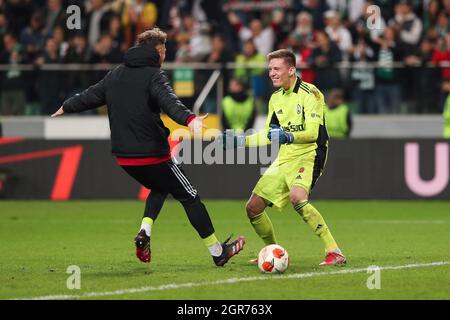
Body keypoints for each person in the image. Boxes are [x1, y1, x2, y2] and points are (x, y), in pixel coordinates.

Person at [51, 27, 245, 267]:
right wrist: (190, 119)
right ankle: (218, 252)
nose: (165, 56)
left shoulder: (115, 74)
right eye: (164, 51)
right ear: (159, 51)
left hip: (124, 157)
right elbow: (169, 101)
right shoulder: (154, 75)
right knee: (190, 197)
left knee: (159, 186)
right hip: (152, 154)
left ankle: (145, 232)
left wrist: (66, 106)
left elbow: (91, 95)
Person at [222, 49, 346, 266]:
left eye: (276, 68)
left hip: (310, 153)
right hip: (286, 157)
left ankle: (334, 251)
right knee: (253, 207)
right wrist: (241, 141)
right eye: (270, 69)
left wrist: (288, 135)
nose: (272, 73)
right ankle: (272, 250)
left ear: (291, 70)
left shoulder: (311, 94)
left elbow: (313, 133)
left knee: (297, 197)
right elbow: (270, 135)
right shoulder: (275, 99)